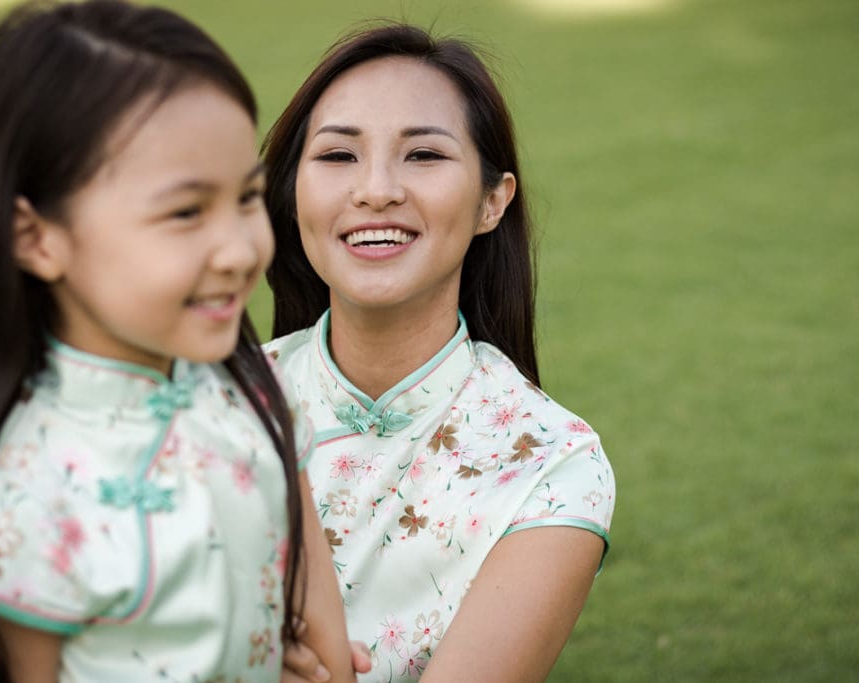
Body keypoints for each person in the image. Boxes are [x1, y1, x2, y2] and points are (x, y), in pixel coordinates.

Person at [0, 2, 355, 681]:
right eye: (186, 210)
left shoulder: (253, 391)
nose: (238, 248)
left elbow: (326, 641)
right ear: (36, 236)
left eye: (247, 197)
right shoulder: (25, 492)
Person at [264, 24, 616, 683]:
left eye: (423, 155)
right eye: (338, 156)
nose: (375, 189)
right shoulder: (208, 397)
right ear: (292, 195)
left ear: (492, 201)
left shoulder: (550, 466)